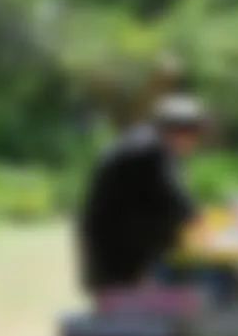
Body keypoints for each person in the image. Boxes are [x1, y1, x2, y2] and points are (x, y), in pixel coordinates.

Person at [76, 94, 206, 296]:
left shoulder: (140, 141)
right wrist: (197, 219)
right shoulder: (150, 151)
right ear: (181, 132)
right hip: (121, 265)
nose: (193, 145)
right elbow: (177, 201)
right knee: (202, 290)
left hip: (111, 257)